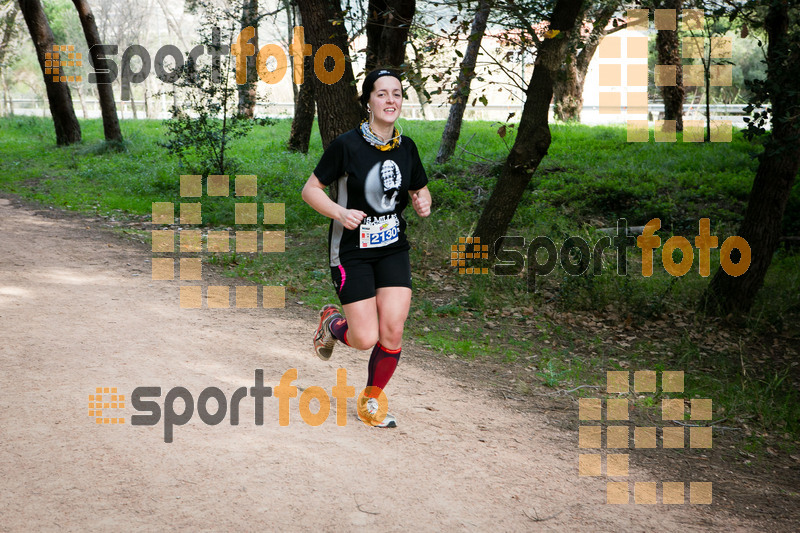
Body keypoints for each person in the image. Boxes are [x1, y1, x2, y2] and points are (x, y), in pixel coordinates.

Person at [301, 69, 432, 428]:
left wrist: (424, 202)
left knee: (392, 330)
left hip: (392, 248)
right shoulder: (347, 145)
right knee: (364, 338)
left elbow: (420, 189)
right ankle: (331, 323)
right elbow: (310, 190)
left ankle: (370, 401)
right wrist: (340, 212)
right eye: (382, 94)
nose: (391, 100)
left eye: (397, 94)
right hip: (351, 251)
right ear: (368, 102)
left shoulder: (407, 148)